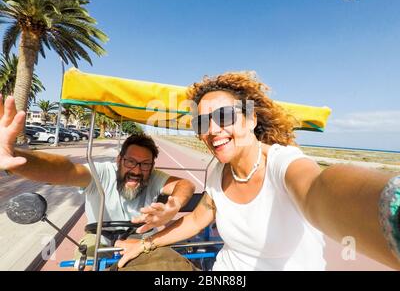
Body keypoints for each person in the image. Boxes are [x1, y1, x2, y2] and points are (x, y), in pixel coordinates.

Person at [116, 71, 400, 271]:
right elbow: (195, 222)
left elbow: (318, 189)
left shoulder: (281, 163)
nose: (213, 130)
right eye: (202, 123)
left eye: (225, 116)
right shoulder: (218, 170)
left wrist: (389, 204)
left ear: (251, 118)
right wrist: (146, 244)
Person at [0, 95, 196, 260]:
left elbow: (184, 184)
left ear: (152, 166)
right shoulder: (100, 173)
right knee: (86, 259)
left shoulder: (153, 177)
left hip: (144, 239)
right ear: (119, 160)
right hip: (98, 239)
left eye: (145, 164)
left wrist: (174, 205)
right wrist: (15, 155)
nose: (137, 170)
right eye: (130, 162)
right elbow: (66, 171)